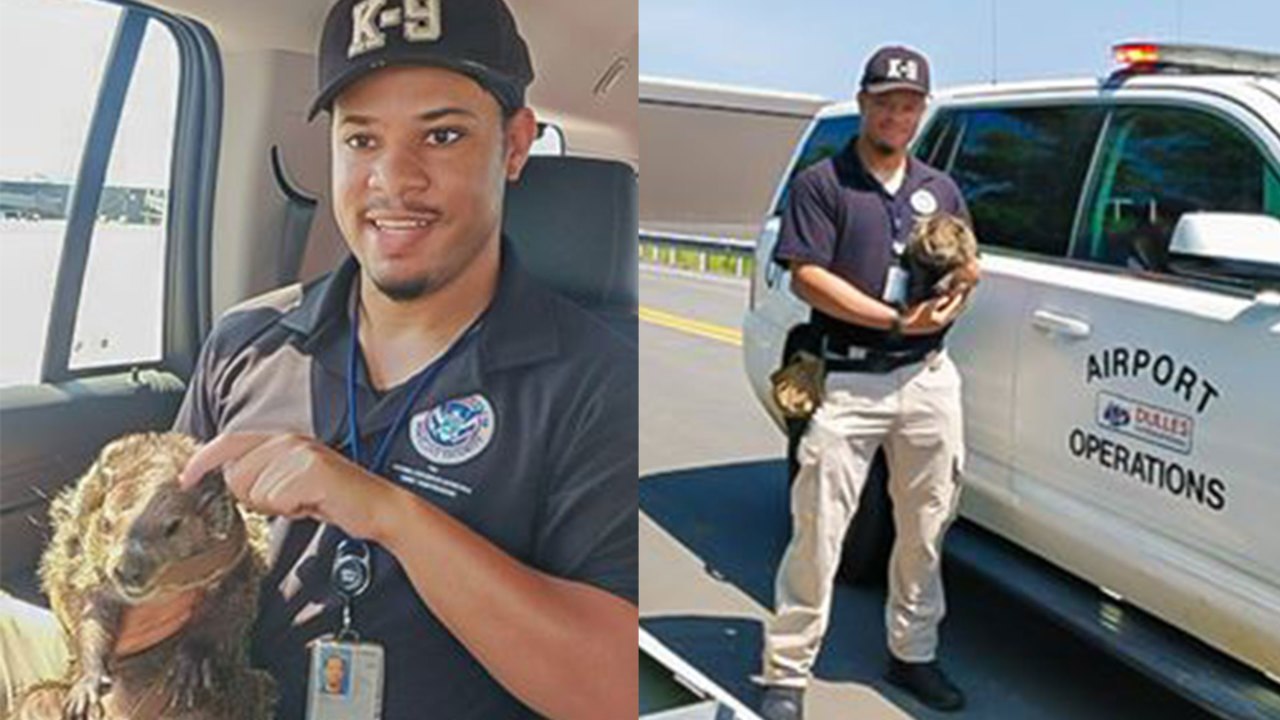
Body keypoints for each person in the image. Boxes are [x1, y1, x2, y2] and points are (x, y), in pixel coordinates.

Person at [2, 1, 637, 719]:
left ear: (515, 145)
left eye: (443, 135)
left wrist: (386, 513)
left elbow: (612, 689)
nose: (394, 179)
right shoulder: (248, 342)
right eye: (362, 139)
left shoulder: (599, 382)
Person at [759, 46, 979, 719]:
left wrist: (958, 291)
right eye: (884, 102)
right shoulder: (824, 184)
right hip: (848, 379)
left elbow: (966, 259)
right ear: (863, 103)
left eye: (908, 104)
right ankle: (786, 672)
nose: (896, 114)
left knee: (926, 526)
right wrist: (894, 318)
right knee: (819, 530)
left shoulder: (940, 188)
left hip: (926, 377)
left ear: (921, 111)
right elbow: (807, 276)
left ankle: (913, 653)